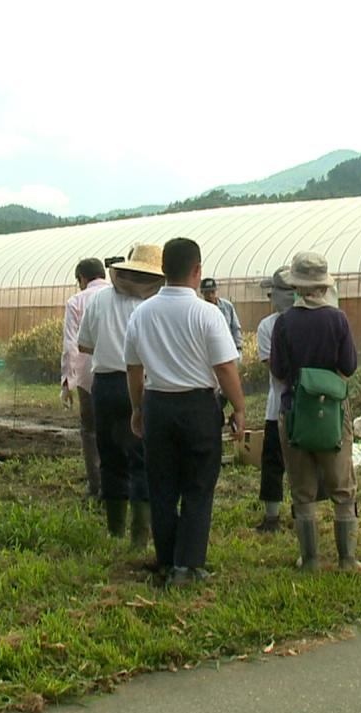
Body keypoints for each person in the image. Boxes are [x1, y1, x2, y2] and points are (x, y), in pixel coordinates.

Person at [125, 238, 244, 587]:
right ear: (197, 271)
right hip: (197, 407)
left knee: (161, 485)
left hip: (158, 405)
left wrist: (137, 408)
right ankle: (188, 566)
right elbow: (224, 368)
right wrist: (238, 406)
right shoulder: (207, 313)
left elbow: (133, 368)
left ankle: (167, 559)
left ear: (162, 270)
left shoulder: (141, 313)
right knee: (198, 485)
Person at [270, 252, 361, 572]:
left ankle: (309, 560)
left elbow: (279, 371)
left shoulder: (284, 322)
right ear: (324, 286)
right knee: (342, 486)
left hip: (295, 409)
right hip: (333, 411)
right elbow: (349, 366)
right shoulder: (337, 319)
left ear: (295, 286)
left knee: (302, 489)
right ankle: (347, 559)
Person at [76, 245, 165, 544]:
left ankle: (115, 531)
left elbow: (84, 346)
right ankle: (140, 536)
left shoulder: (99, 299)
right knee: (140, 458)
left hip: (105, 386)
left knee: (111, 458)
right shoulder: (153, 305)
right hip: (140, 385)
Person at [62, 258, 110, 500]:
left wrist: (67, 382)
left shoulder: (77, 301)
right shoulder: (118, 296)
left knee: (90, 431)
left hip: (87, 377)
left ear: (82, 278)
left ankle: (96, 486)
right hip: (119, 375)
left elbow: (71, 344)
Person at [253, 266, 295, 533]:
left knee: (273, 462)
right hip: (314, 405)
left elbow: (275, 368)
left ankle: (272, 519)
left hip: (279, 405)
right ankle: (301, 514)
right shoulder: (319, 320)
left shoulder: (268, 326)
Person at [200, 277, 242, 349]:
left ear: (216, 291)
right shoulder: (199, 309)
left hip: (227, 347)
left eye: (212, 292)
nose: (210, 296)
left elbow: (235, 328)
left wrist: (238, 347)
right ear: (202, 293)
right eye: (207, 293)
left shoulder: (227, 306)